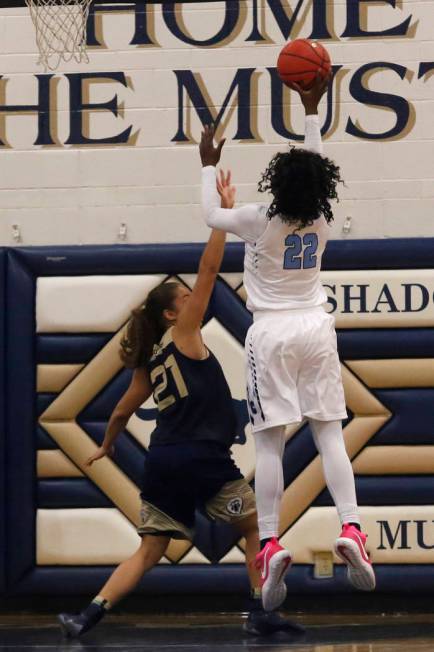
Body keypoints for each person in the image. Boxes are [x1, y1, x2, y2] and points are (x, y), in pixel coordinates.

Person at [57, 172, 305, 640]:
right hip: (203, 458)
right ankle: (259, 613)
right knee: (258, 528)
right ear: (172, 314)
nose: (194, 301)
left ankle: (86, 616)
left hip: (163, 460)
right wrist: (221, 218)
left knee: (149, 551)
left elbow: (118, 413)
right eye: (185, 300)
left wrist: (108, 446)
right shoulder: (183, 335)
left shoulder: (149, 360)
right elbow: (209, 271)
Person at [199, 75, 376, 613]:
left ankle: (272, 541)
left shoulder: (258, 220)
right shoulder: (321, 218)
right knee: (329, 434)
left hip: (271, 331)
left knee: (271, 441)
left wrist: (208, 162)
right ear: (320, 185)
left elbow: (209, 216)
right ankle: (352, 526)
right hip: (316, 327)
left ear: (276, 184)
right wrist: (311, 113)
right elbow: (315, 165)